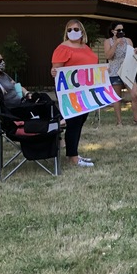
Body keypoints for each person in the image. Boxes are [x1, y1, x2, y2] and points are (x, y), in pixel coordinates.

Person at [51, 19, 98, 167]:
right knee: (74, 122)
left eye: (76, 29)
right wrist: (54, 72)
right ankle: (73, 157)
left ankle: (73, 153)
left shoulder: (86, 48)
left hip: (86, 90)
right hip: (71, 92)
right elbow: (57, 71)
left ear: (82, 32)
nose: (73, 32)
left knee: (80, 121)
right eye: (69, 30)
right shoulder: (62, 48)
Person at [103, 21, 137, 126]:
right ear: (113, 31)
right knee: (117, 97)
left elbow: (131, 54)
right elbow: (108, 56)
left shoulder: (128, 40)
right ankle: (119, 121)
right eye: (118, 30)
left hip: (127, 70)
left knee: (135, 94)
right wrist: (116, 44)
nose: (121, 32)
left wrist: (135, 51)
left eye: (122, 30)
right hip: (115, 71)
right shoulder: (108, 41)